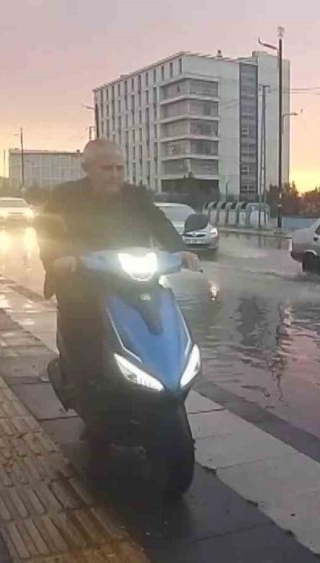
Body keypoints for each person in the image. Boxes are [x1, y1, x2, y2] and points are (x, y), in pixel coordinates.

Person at [37, 139, 199, 401]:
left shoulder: (136, 196)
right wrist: (59, 258)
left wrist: (181, 250)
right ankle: (79, 381)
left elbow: (159, 222)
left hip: (132, 278)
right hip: (83, 277)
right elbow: (47, 230)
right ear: (87, 168)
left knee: (160, 311)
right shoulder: (65, 196)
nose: (115, 174)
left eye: (119, 168)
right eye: (106, 168)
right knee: (81, 320)